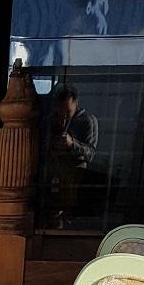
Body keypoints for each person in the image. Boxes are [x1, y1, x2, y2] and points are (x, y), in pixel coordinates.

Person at [47, 84, 99, 225]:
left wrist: (72, 144)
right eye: (60, 110)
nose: (63, 115)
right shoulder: (52, 119)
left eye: (67, 111)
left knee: (69, 214)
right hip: (54, 175)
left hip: (74, 178)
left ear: (76, 103)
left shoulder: (87, 121)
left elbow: (91, 154)